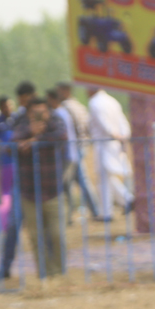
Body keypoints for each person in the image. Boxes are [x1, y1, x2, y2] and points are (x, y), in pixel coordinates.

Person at [13, 98, 68, 278]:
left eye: (42, 112)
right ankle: (45, 274)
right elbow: (12, 145)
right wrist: (30, 132)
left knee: (57, 235)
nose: (39, 115)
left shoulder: (55, 123)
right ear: (28, 113)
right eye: (34, 112)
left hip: (53, 189)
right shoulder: (21, 125)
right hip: (29, 191)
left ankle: (60, 273)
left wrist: (35, 139)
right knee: (36, 237)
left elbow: (62, 136)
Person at [47, 88, 99, 221]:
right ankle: (89, 211)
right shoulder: (73, 107)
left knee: (66, 185)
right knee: (76, 182)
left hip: (69, 154)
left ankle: (69, 215)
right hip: (75, 151)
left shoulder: (61, 112)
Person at [0, 97, 20, 281]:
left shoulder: (16, 120)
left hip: (15, 164)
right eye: (6, 105)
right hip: (1, 164)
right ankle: (0, 223)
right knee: (2, 197)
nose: (9, 108)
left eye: (11, 104)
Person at [87, 87, 135, 216]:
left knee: (103, 178)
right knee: (108, 177)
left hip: (104, 143)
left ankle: (106, 213)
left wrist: (115, 135)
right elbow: (122, 121)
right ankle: (127, 199)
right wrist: (124, 136)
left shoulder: (94, 102)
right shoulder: (112, 101)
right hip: (116, 142)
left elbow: (103, 122)